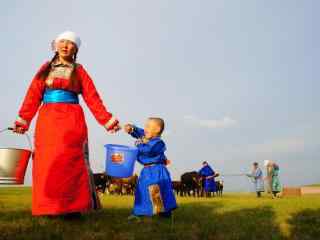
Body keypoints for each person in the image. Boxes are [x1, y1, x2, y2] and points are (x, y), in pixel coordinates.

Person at [13, 31, 121, 217]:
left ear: (76, 49)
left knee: (71, 162)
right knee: (47, 163)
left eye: (71, 43)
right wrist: (23, 120)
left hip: (72, 121)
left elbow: (92, 98)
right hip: (48, 121)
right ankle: (48, 207)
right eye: (62, 42)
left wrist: (107, 121)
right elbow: (33, 95)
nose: (66, 46)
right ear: (55, 45)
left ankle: (72, 209)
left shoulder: (79, 70)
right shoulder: (46, 68)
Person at [124, 118, 177, 220]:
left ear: (157, 129)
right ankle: (139, 213)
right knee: (141, 191)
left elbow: (148, 150)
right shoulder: (146, 137)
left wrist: (139, 143)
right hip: (146, 171)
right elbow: (140, 132)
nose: (145, 129)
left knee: (158, 191)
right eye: (145, 126)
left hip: (157, 171)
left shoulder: (159, 143)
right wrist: (132, 128)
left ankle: (164, 213)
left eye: (148, 126)